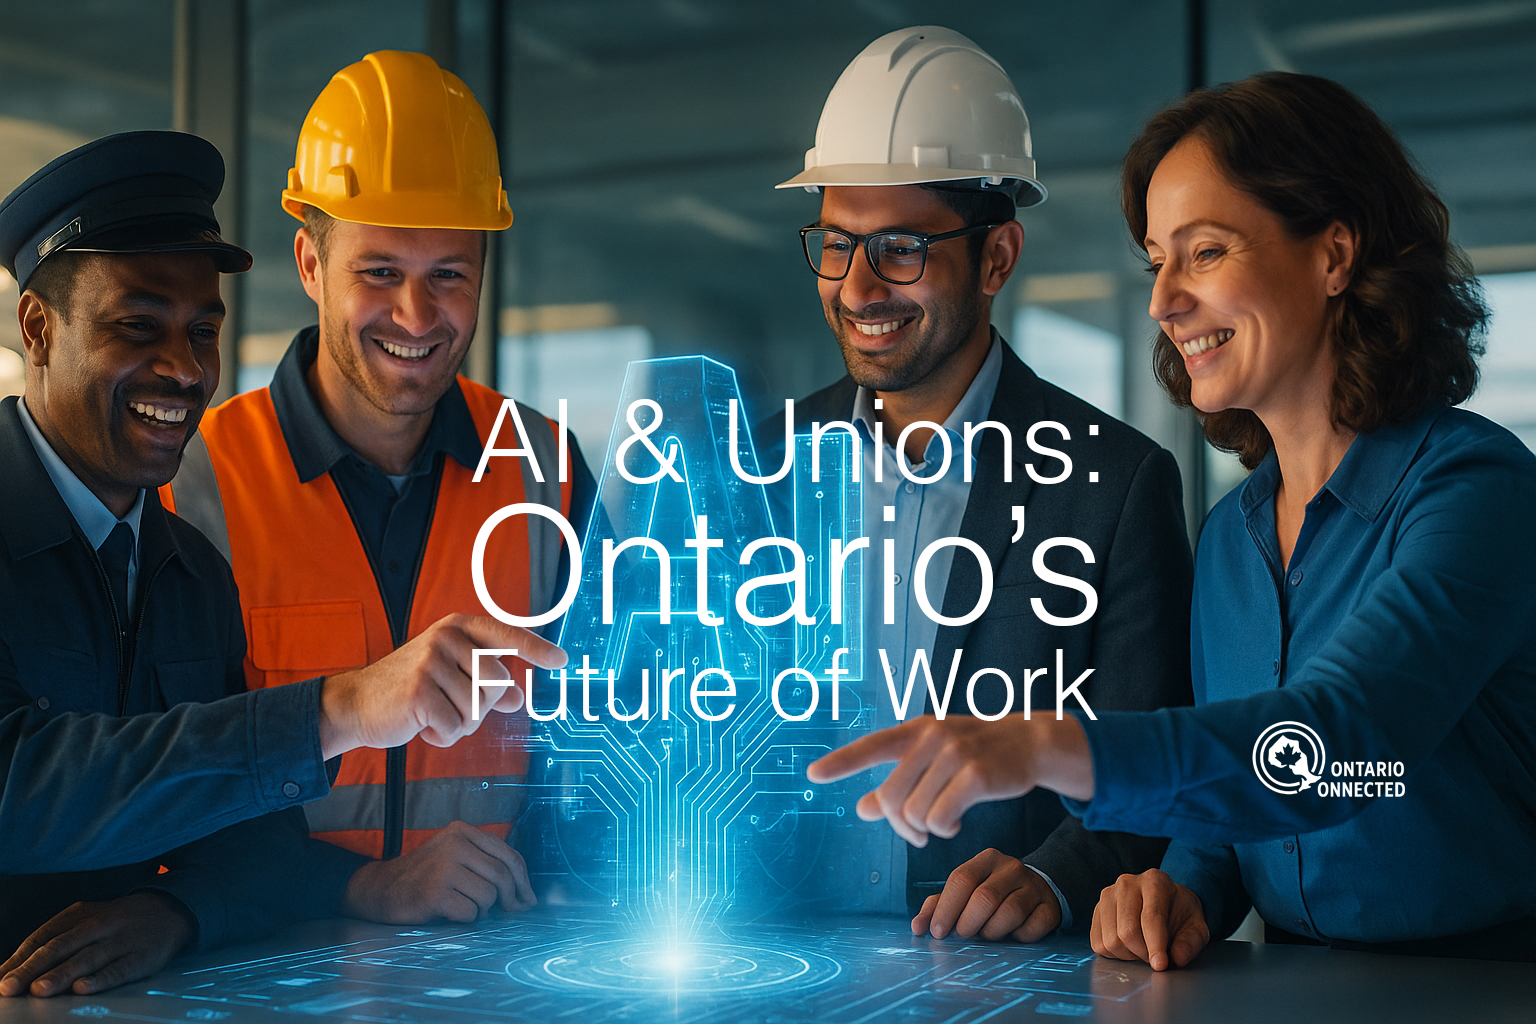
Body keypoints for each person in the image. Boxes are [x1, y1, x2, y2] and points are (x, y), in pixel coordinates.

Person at [808, 72, 1536, 965]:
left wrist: (1043, 745)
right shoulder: (1233, 536)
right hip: (1290, 989)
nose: (1162, 301)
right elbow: (1227, 832)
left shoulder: (1475, 491)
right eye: (1158, 261)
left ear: (1334, 254)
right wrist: (1175, 890)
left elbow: (1346, 751)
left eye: (1206, 252)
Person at [0, 131, 562, 997]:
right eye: (137, 327)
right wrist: (339, 707)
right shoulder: (207, 487)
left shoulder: (183, 566)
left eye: (202, 331)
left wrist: (178, 913)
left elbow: (242, 833)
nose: (183, 369)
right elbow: (20, 782)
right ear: (38, 328)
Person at [770, 27, 1193, 941]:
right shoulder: (757, 467)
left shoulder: (1113, 487)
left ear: (998, 258)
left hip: (992, 970)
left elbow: (1157, 774)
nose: (857, 287)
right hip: (777, 960)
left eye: (902, 249)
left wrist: (1053, 876)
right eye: (836, 244)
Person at [164, 51, 595, 924]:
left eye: (449, 275)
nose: (415, 316)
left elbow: (600, 753)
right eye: (380, 272)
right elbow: (168, 784)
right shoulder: (194, 479)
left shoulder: (547, 472)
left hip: (497, 964)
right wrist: (356, 887)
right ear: (310, 265)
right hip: (256, 974)